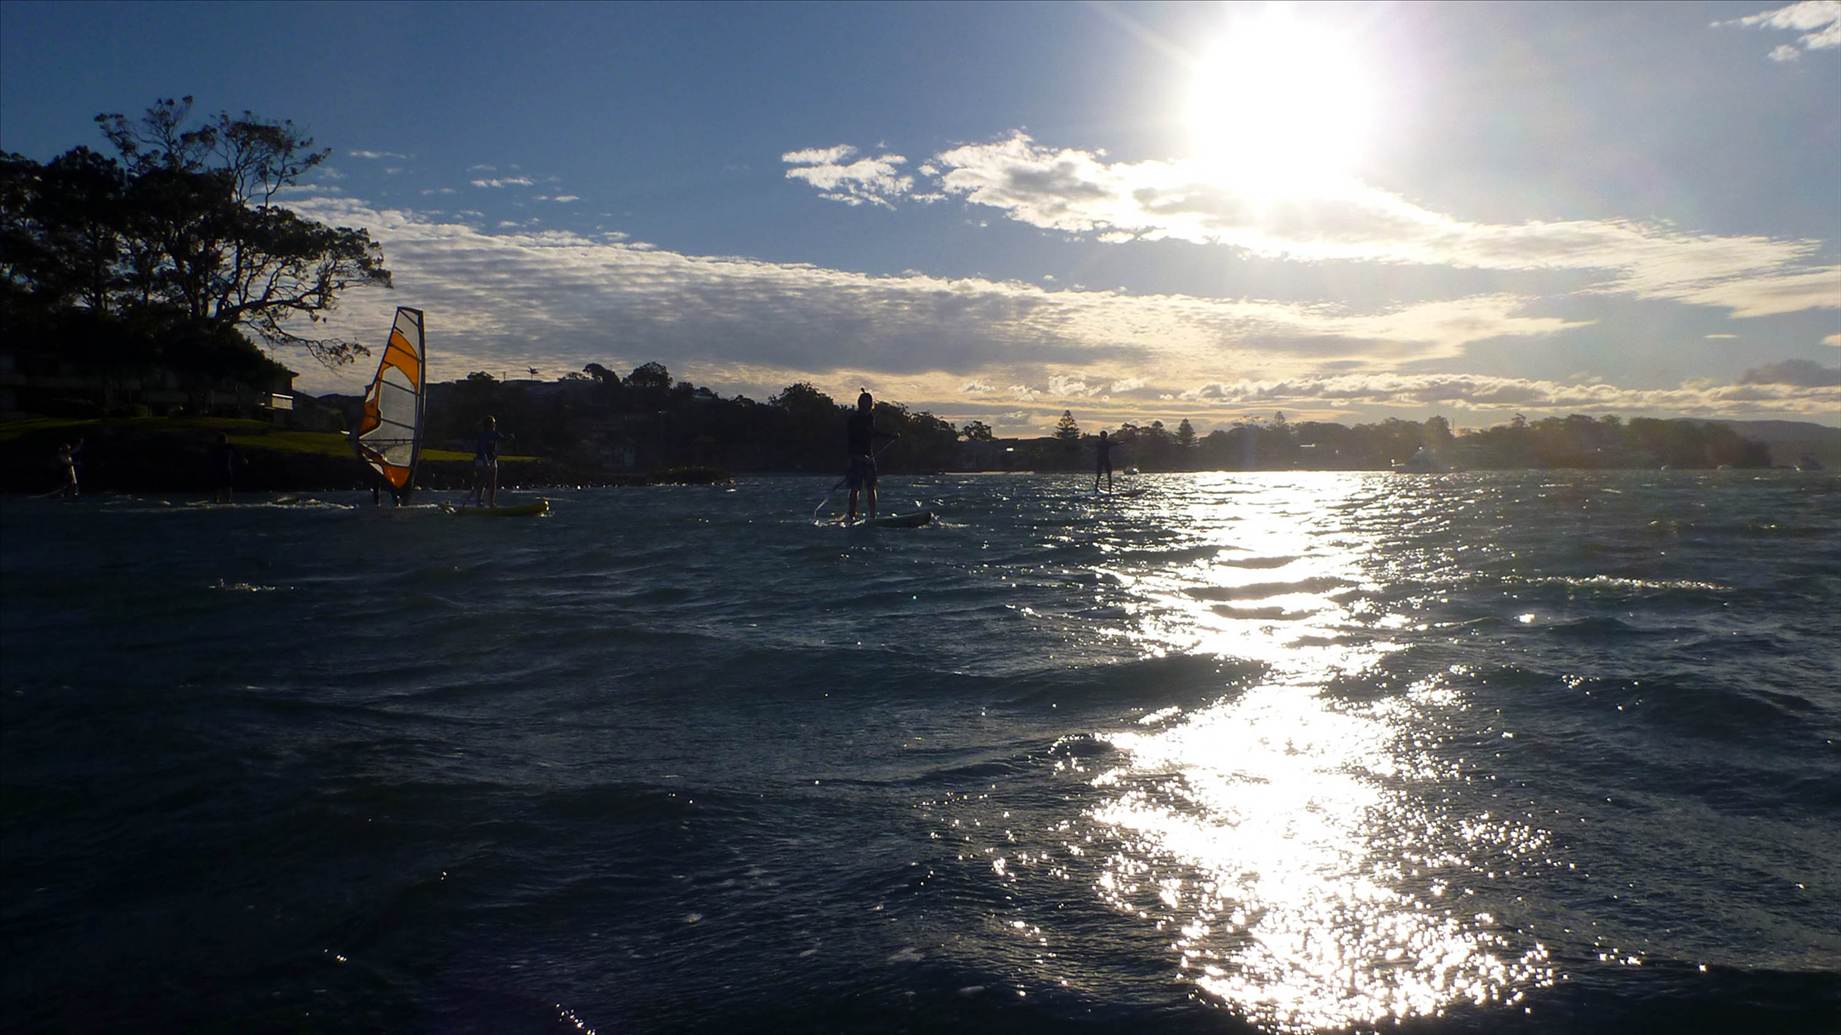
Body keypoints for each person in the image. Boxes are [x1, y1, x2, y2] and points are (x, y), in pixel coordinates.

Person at [845, 391, 897, 523]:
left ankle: (872, 516)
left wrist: (890, 436)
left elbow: (873, 433)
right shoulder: (854, 419)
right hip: (856, 458)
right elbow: (850, 439)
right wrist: (853, 457)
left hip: (869, 457)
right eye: (864, 402)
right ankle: (851, 515)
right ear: (860, 403)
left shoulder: (870, 417)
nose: (867, 405)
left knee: (871, 487)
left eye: (868, 402)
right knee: (855, 488)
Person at [468, 415, 503, 507]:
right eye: (493, 423)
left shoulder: (495, 434)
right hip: (481, 460)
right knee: (482, 481)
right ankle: (478, 502)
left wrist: (509, 438)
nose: (494, 425)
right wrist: (486, 462)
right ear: (489, 425)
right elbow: (482, 450)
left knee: (493, 482)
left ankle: (491, 503)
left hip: (492, 459)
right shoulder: (482, 436)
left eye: (494, 423)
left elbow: (502, 440)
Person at [212, 433, 242, 503]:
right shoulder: (216, 448)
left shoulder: (230, 447)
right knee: (218, 485)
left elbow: (237, 452)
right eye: (224, 441)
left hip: (227, 468)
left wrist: (243, 459)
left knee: (228, 485)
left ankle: (228, 499)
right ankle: (216, 498)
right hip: (218, 469)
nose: (225, 442)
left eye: (226, 440)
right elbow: (211, 458)